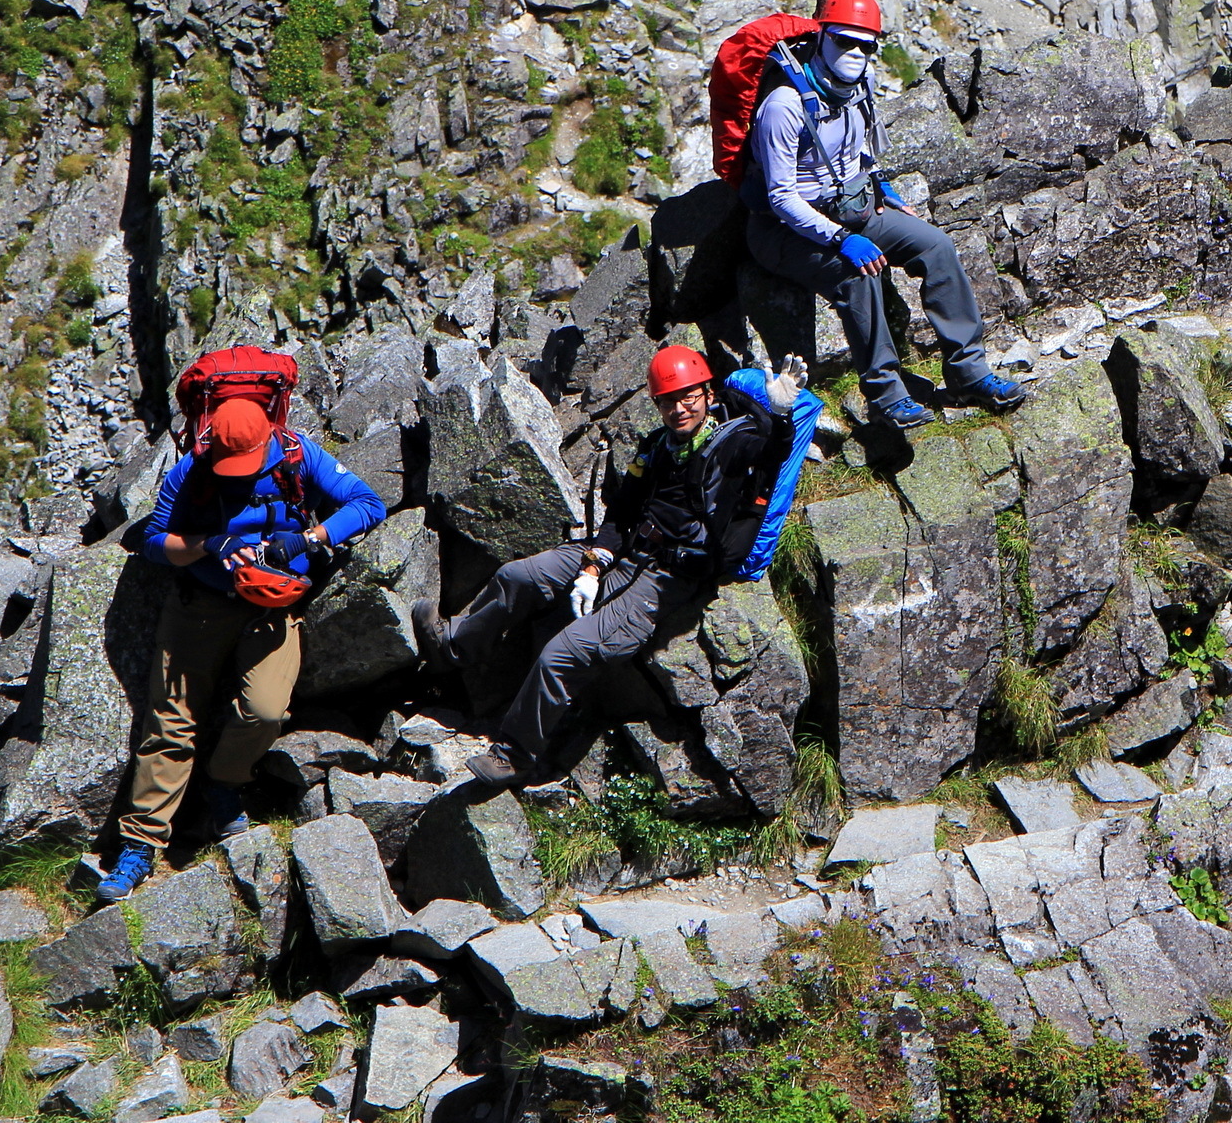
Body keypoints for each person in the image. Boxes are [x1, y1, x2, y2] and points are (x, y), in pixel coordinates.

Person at [411, 346, 803, 787]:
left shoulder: (732, 444)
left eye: (688, 396)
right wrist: (593, 567)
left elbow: (769, 452)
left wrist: (781, 415)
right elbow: (620, 514)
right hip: (625, 554)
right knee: (518, 576)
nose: (678, 408)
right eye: (667, 400)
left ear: (708, 394)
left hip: (668, 578)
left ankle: (515, 755)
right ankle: (455, 646)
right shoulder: (656, 448)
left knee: (562, 653)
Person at [95, 392, 389, 902]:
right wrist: (210, 545)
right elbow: (151, 542)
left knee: (265, 710)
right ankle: (140, 845)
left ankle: (223, 784)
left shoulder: (298, 453)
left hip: (274, 604)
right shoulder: (192, 469)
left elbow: (369, 504)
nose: (235, 473)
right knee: (169, 723)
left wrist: (307, 539)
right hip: (200, 603)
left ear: (267, 439)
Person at [739, 0, 1022, 430]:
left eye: (865, 44)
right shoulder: (784, 106)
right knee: (858, 274)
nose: (855, 52)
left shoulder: (860, 85)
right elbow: (781, 196)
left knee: (937, 247)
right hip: (783, 230)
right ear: (822, 36)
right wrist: (841, 239)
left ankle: (969, 372)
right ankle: (887, 396)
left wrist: (880, 186)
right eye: (843, 40)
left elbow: (859, 148)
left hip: (854, 207)